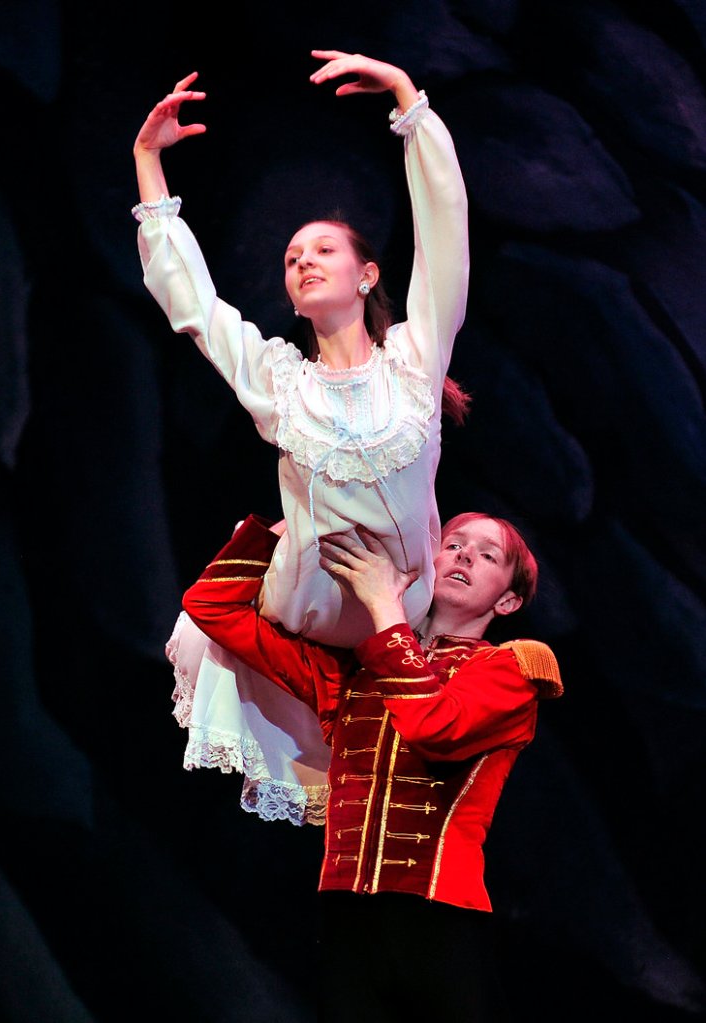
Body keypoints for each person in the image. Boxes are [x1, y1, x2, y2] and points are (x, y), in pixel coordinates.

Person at [132, 49, 470, 824]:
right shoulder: (281, 381)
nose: (302, 262)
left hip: (395, 615)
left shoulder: (413, 363)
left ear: (365, 274)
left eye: (321, 249)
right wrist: (149, 161)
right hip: (307, 619)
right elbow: (195, 307)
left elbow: (446, 232)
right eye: (290, 258)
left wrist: (406, 99)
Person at [181, 510, 563, 1021]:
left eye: (488, 555)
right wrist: (293, 520)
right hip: (345, 919)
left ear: (508, 600)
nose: (465, 555)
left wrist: (384, 606)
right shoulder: (354, 667)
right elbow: (211, 607)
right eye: (452, 544)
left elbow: (435, 727)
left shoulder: (512, 667)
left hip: (437, 920)